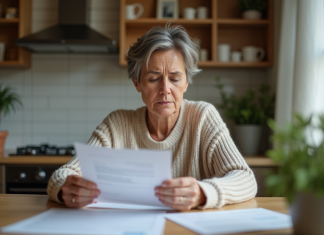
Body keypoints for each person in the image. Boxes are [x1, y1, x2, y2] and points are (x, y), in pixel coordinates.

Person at [47, 23, 257, 210]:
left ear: (186, 82)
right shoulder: (117, 124)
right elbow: (63, 175)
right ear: (137, 84)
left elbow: (245, 179)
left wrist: (203, 192)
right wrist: (66, 188)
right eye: (154, 78)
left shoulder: (203, 117)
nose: (165, 89)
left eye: (175, 78)